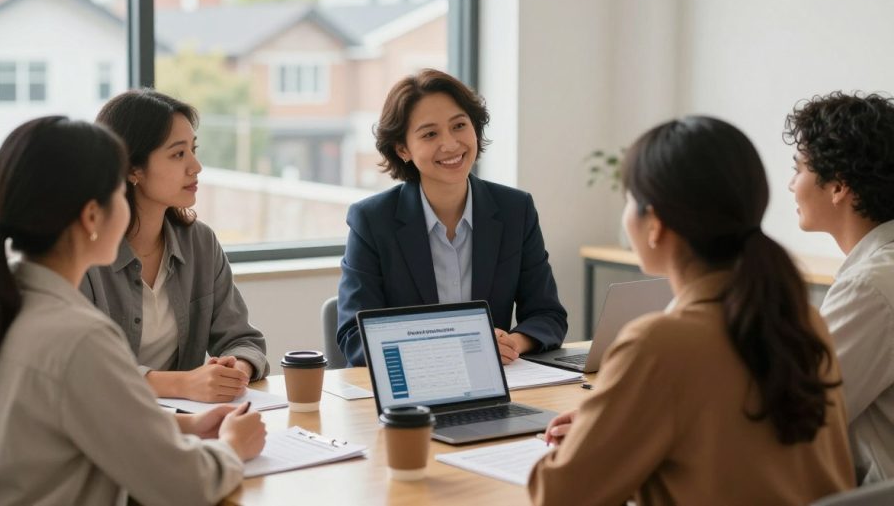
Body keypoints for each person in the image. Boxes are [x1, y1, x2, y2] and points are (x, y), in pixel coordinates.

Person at [0, 116, 266, 505]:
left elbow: (76, 421)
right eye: (119, 196)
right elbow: (184, 487)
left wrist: (186, 426)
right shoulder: (77, 337)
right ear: (92, 217)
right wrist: (232, 448)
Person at [529, 116, 854, 505]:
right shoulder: (804, 320)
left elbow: (559, 496)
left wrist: (593, 439)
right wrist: (617, 426)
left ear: (656, 223)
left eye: (629, 199)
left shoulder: (658, 344)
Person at [337, 69, 568, 366]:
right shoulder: (372, 220)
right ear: (403, 149)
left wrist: (512, 343)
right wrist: (450, 350)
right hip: (409, 393)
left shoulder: (515, 209)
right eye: (430, 134)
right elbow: (354, 336)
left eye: (459, 125)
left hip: (493, 384)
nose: (450, 144)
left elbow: (547, 314)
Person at [83, 89, 268, 403]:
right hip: (107, 429)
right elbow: (84, 372)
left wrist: (236, 368)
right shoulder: (83, 255)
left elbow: (243, 339)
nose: (196, 166)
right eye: (178, 154)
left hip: (185, 424)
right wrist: (182, 384)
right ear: (132, 169)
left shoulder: (201, 243)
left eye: (193, 150)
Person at [785, 92, 894, 484]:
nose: (790, 184)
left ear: (838, 188)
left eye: (798, 169)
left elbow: (799, 414)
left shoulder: (870, 288)